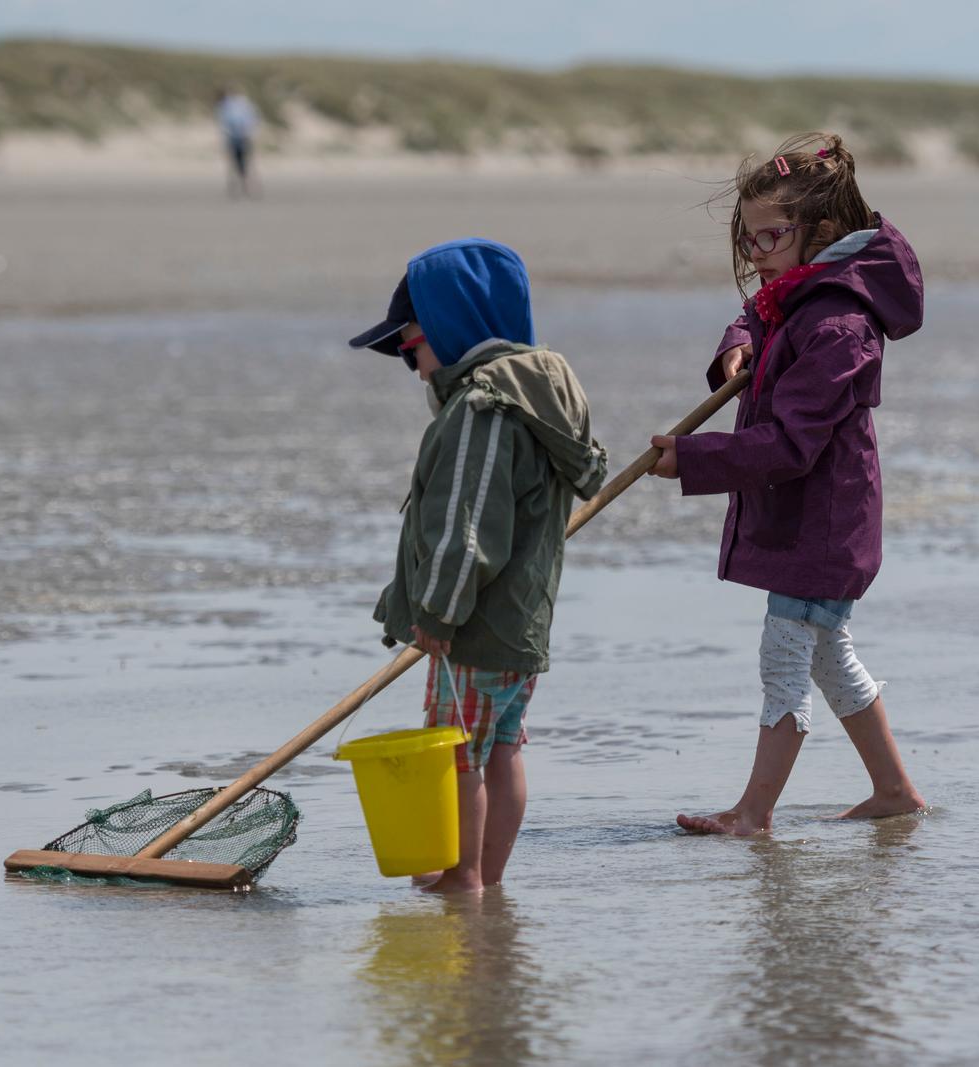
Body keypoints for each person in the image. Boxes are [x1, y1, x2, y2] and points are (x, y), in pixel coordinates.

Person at [648, 132, 927, 833]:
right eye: (747, 241)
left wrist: (694, 458)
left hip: (824, 525)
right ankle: (893, 789)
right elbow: (756, 315)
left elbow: (791, 446)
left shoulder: (839, 322)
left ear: (823, 233)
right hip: (817, 522)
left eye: (769, 237)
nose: (755, 255)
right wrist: (735, 347)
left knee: (785, 656)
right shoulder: (800, 293)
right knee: (830, 656)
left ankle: (752, 811)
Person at [350, 238, 608, 892]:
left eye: (410, 348)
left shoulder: (482, 410)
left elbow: (466, 528)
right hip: (517, 625)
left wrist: (437, 612)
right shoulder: (533, 401)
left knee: (461, 752)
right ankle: (484, 879)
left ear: (451, 329)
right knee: (502, 749)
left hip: (476, 626)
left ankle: (465, 876)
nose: (411, 367)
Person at [214, 88, 259, 198]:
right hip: (240, 137)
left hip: (239, 137)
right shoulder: (239, 105)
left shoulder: (230, 106)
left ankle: (243, 188)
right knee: (240, 164)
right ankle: (243, 188)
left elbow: (225, 123)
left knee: (240, 164)